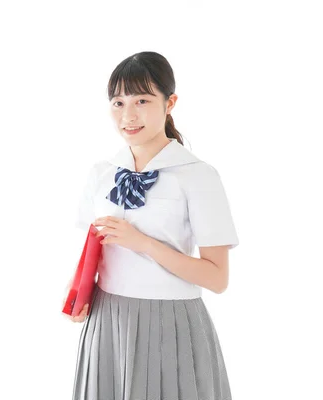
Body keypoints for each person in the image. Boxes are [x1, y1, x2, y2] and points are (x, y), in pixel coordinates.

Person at [64, 51, 239, 400]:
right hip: (107, 319)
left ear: (170, 102)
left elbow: (217, 278)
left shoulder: (198, 176)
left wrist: (142, 242)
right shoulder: (102, 172)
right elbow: (91, 247)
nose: (128, 115)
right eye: (118, 102)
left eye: (142, 100)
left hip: (171, 322)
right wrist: (77, 292)